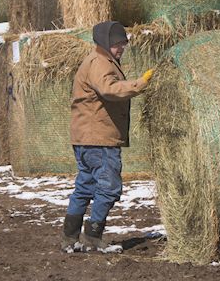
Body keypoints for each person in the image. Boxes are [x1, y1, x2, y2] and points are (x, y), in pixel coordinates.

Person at [60, 21, 154, 253]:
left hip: (86, 137)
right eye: (116, 44)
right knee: (109, 187)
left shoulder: (99, 60)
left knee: (85, 186)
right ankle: (92, 236)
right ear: (104, 43)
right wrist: (140, 83)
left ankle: (69, 238)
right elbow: (109, 89)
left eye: (123, 43)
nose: (120, 48)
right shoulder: (100, 62)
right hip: (99, 138)